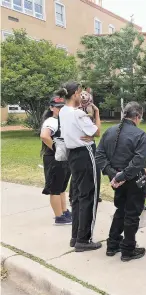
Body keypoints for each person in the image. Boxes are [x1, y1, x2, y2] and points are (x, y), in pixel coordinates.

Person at [95, 102, 146, 262]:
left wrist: (115, 175)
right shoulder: (140, 135)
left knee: (121, 210)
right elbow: (138, 162)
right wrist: (119, 176)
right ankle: (128, 249)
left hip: (119, 180)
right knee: (132, 214)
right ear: (138, 117)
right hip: (133, 180)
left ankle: (113, 244)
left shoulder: (110, 131)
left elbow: (100, 155)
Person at [57, 81, 102, 252]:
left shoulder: (63, 112)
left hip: (73, 156)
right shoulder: (78, 115)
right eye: (81, 92)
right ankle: (84, 239)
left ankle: (75, 236)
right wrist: (96, 113)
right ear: (76, 93)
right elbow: (96, 132)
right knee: (89, 196)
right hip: (86, 154)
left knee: (77, 197)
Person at [40, 96, 72, 225]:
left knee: (61, 188)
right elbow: (44, 136)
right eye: (57, 107)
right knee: (55, 189)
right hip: (54, 159)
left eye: (62, 107)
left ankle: (64, 211)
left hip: (63, 159)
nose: (60, 109)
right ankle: (59, 217)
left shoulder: (63, 120)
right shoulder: (51, 121)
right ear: (51, 108)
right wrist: (56, 148)